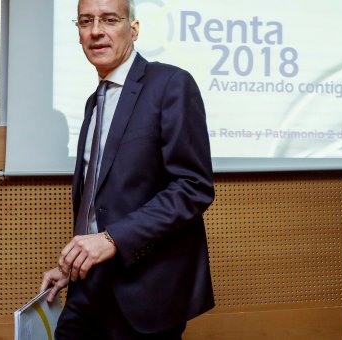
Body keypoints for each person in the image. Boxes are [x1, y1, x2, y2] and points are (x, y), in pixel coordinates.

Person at [39, 0, 215, 338]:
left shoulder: (171, 84)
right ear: (77, 33)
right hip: (88, 286)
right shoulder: (95, 101)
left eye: (109, 19)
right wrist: (74, 264)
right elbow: (99, 202)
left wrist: (112, 240)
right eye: (86, 21)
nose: (95, 31)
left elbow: (193, 187)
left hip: (146, 292)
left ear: (133, 29)